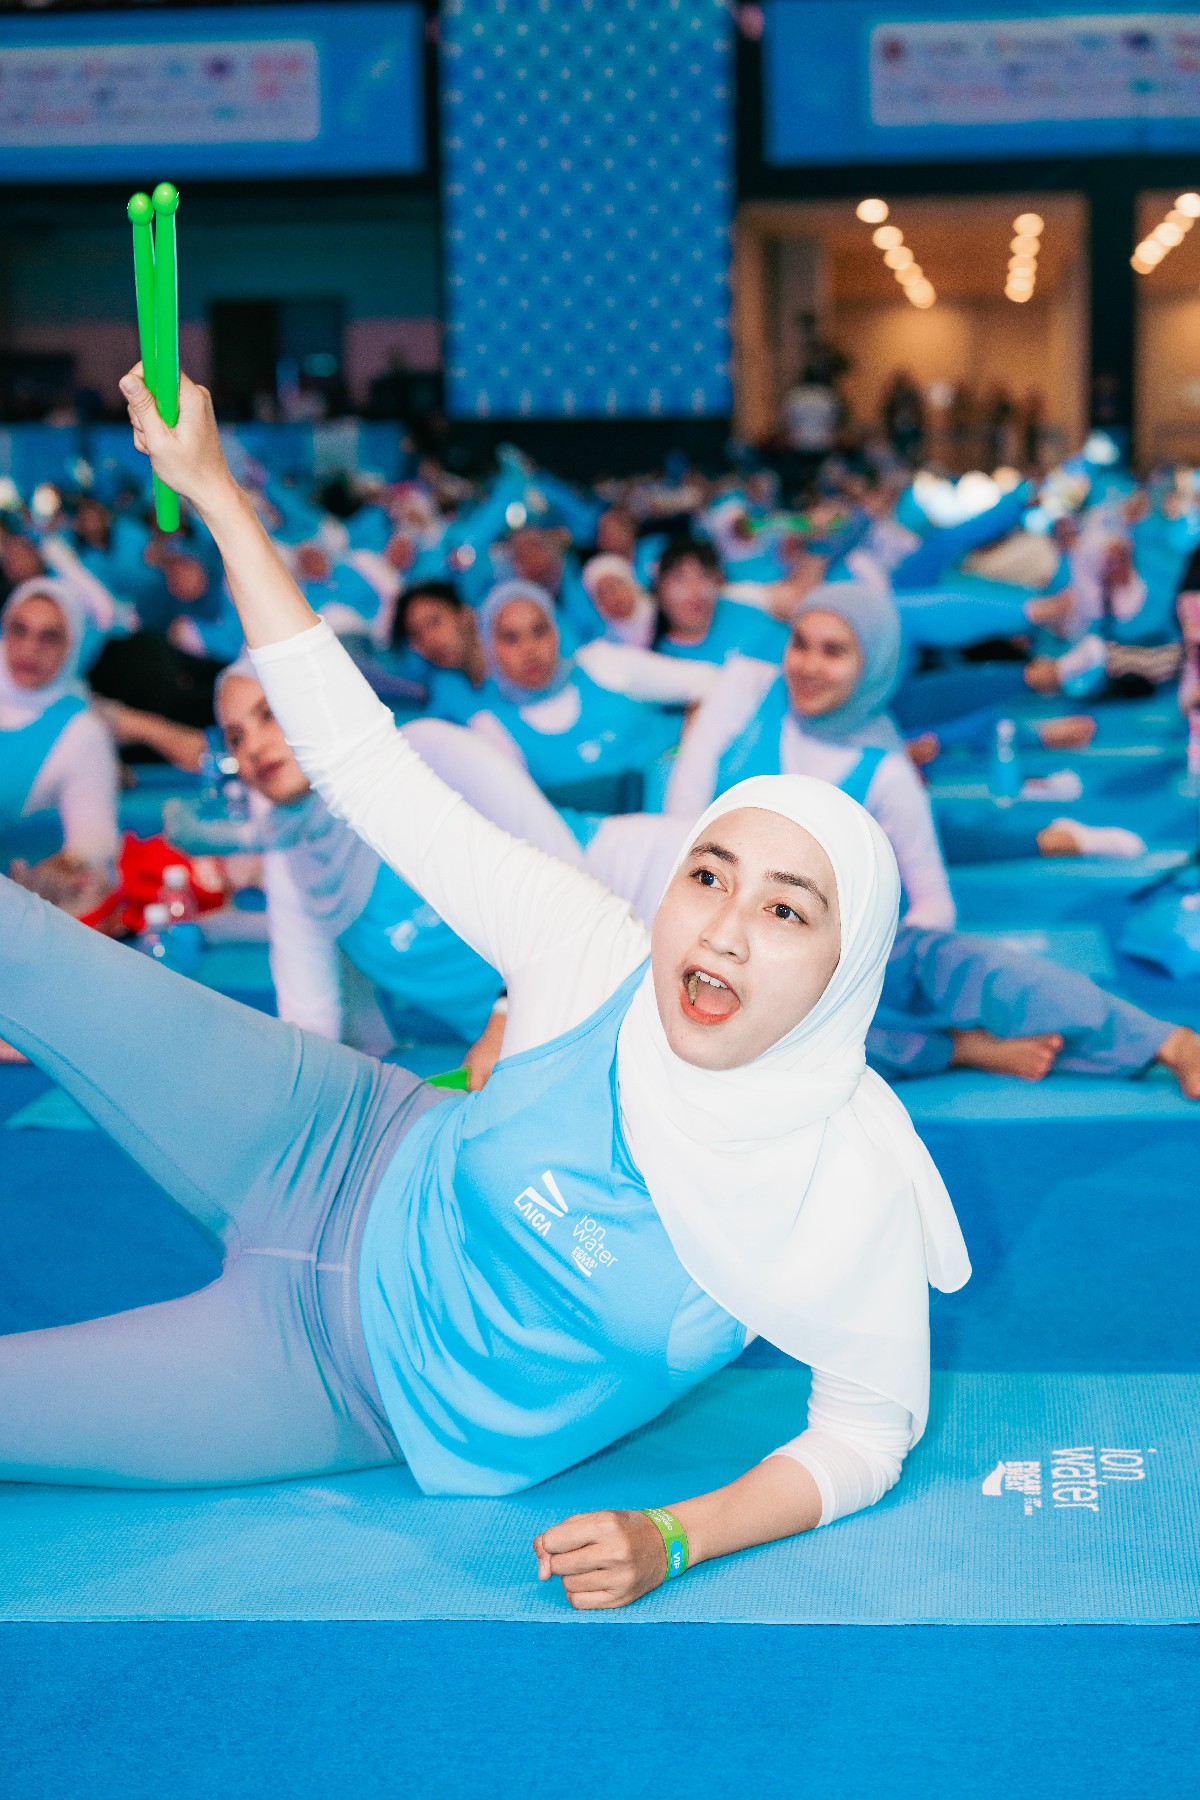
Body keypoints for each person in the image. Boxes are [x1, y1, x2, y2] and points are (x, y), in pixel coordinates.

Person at [0, 366, 977, 1615]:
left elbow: (867, 1432)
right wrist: (218, 493)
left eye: (787, 910)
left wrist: (677, 1535)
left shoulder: (844, 1180)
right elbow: (363, 764)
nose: (726, 932)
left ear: (845, 972)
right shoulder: (596, 953)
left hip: (337, 1385)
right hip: (331, 1136)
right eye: (708, 876)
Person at [667, 584, 1200, 1095]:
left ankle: (1167, 1042)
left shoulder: (885, 770)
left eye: (834, 652)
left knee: (960, 967)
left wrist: (863, 964)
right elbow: (678, 823)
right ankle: (955, 1048)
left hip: (821, 953)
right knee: (781, 1034)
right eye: (800, 644)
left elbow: (934, 902)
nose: (807, 666)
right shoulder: (745, 690)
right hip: (704, 928)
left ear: (872, 664)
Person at [214, 661, 584, 1085]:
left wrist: (510, 1017)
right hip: (540, 1051)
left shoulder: (425, 753)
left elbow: (572, 889)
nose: (254, 746)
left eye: (269, 714)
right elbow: (310, 1025)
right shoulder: (293, 855)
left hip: (626, 932)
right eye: (236, 738)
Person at [467, 579, 718, 810]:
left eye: (539, 630)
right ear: (489, 647)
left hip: (702, 793)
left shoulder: (600, 662)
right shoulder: (491, 729)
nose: (529, 649)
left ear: (557, 630)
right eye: (511, 638)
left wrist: (691, 750)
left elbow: (710, 680)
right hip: (632, 839)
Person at [653, 539, 789, 665]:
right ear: (658, 586)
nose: (694, 591)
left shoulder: (741, 599)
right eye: (680, 579)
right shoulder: (662, 663)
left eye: (704, 575)